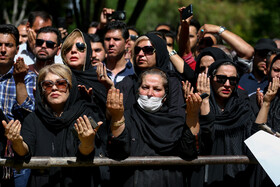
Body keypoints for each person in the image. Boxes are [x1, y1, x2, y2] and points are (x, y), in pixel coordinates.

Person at [3, 64, 106, 186]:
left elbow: (86, 152)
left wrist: (87, 141)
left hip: (77, 182)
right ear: (41, 90)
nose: (54, 88)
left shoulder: (86, 114)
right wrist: (16, 142)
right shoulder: (34, 118)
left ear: (71, 87)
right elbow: (24, 152)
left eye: (61, 83)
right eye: (48, 85)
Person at [107, 68, 201, 187]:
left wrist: (193, 115)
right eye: (145, 87)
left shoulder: (177, 121)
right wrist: (116, 117)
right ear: (138, 90)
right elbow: (119, 152)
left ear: (165, 95)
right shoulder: (126, 117)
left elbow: (189, 152)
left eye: (157, 89)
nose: (150, 93)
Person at [193, 59, 255, 187]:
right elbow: (204, 140)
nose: (227, 84)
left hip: (236, 177)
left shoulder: (243, 108)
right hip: (205, 176)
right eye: (221, 78)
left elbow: (252, 142)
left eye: (233, 80)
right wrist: (204, 102)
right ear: (210, 79)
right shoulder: (196, 105)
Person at [116, 33, 187, 117]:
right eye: (137, 50)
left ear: (159, 53)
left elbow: (177, 117)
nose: (141, 54)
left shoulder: (172, 82)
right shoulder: (127, 82)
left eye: (148, 50)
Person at [0, 24, 37, 187]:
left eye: (8, 45)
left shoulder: (27, 76)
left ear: (17, 49)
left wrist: (19, 82)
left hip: (17, 151)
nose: (2, 50)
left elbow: (29, 111)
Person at [61, 28, 107, 118]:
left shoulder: (100, 80)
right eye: (68, 47)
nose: (73, 51)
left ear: (89, 52)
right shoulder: (57, 79)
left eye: (80, 46)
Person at [252, 54, 280, 187]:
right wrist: (266, 104)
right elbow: (256, 135)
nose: (279, 76)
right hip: (263, 173)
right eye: (276, 70)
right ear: (268, 71)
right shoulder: (256, 99)